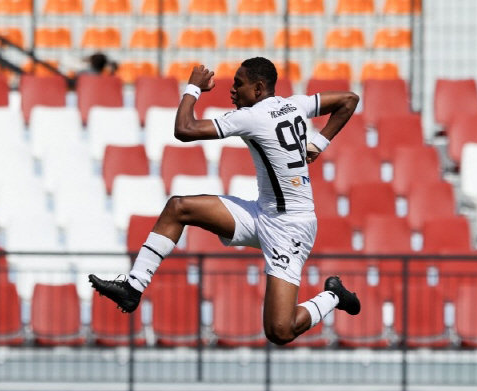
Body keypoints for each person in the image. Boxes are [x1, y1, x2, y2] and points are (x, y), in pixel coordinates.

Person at [90, 57, 361, 345]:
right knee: (178, 207)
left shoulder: (252, 116)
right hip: (262, 215)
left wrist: (192, 88)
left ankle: (333, 295)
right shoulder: (296, 104)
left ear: (258, 89)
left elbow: (185, 129)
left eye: (238, 85)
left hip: (290, 229)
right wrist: (320, 143)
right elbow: (349, 99)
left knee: (280, 331)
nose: (232, 91)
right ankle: (133, 287)